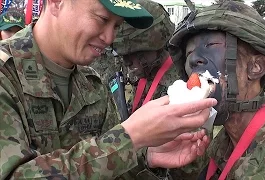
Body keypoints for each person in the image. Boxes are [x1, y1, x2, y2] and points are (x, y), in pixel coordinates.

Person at [0, 0, 216, 179]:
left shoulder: (91, 85)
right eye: (103, 19)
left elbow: (108, 169)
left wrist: (147, 155)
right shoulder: (6, 77)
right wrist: (130, 138)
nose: (110, 38)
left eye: (117, 26)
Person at [139, 1, 265, 179]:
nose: (193, 60)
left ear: (256, 67)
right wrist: (155, 161)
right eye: (188, 53)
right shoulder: (214, 144)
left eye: (210, 46)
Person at [112, 0, 180, 114]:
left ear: (155, 45)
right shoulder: (144, 75)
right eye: (123, 56)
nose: (126, 62)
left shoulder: (180, 86)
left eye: (133, 54)